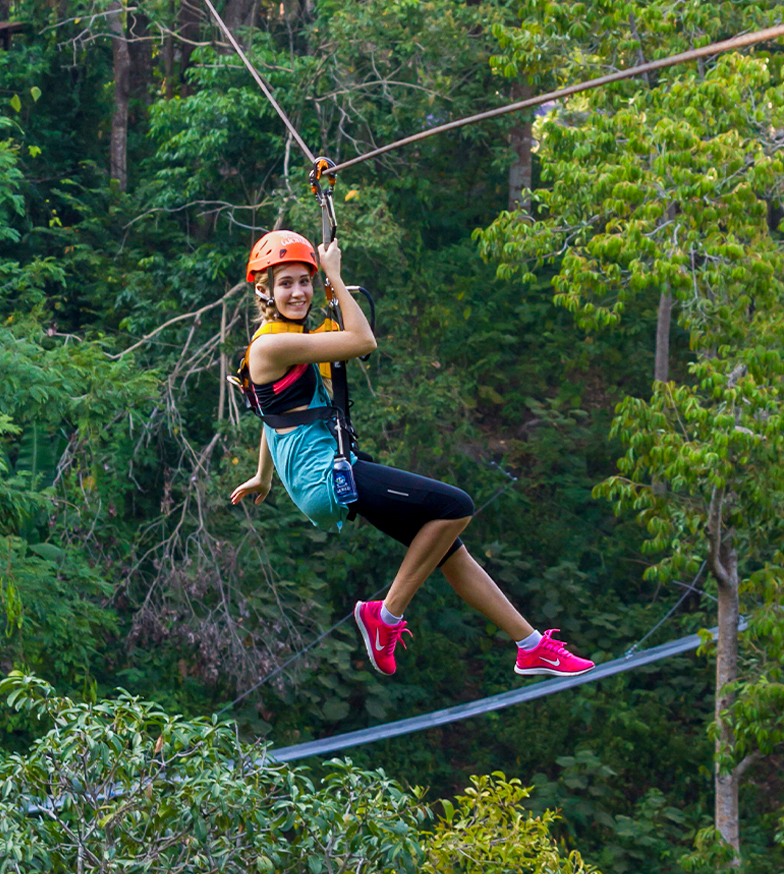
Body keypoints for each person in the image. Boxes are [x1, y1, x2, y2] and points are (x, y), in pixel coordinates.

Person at [229, 230, 594, 679]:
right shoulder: (272, 346)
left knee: (447, 549)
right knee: (456, 507)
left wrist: (263, 475)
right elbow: (363, 341)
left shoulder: (284, 338)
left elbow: (273, 415)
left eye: (305, 281)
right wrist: (334, 277)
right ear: (264, 291)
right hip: (327, 479)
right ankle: (384, 616)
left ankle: (531, 646)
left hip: (329, 474)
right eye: (286, 283)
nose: (299, 292)